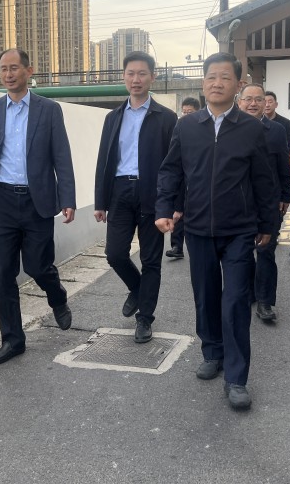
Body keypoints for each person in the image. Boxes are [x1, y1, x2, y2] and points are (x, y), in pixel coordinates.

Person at [156, 52, 277, 411]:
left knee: (236, 300)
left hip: (239, 229)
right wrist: (164, 209)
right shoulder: (187, 127)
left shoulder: (251, 129)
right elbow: (171, 171)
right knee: (206, 296)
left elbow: (264, 181)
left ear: (238, 84)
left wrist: (268, 225)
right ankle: (212, 351)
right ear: (203, 82)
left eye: (225, 77)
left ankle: (237, 378)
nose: (216, 83)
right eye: (211, 77)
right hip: (197, 227)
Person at [0, 48, 76, 367]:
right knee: (3, 273)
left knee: (38, 267)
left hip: (36, 200)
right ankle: (12, 340)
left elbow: (61, 157)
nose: (8, 74)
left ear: (29, 70)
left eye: (14, 68)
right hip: (1, 201)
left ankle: (57, 295)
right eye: (3, 69)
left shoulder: (48, 110)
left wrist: (67, 199)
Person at [94, 51, 177, 343]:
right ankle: (138, 288)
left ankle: (145, 318)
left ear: (152, 77)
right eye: (130, 73)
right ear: (124, 77)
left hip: (153, 194)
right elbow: (104, 160)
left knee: (151, 259)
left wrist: (174, 204)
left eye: (142, 73)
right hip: (120, 192)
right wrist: (101, 201)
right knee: (115, 254)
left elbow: (175, 164)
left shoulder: (167, 118)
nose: (136, 79)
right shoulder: (113, 117)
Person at [237, 83, 290, 322]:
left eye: (258, 99)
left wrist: (285, 196)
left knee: (266, 250)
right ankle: (248, 292)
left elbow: (283, 166)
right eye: (248, 99)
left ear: (265, 103)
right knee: (241, 251)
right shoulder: (229, 128)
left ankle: (265, 301)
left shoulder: (277, 130)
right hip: (238, 202)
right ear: (239, 102)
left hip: (268, 202)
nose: (253, 104)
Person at [166, 97, 202, 260]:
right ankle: (176, 246)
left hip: (195, 179)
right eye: (184, 112)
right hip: (180, 177)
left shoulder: (203, 128)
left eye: (190, 112)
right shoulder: (179, 126)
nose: (186, 115)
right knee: (177, 211)